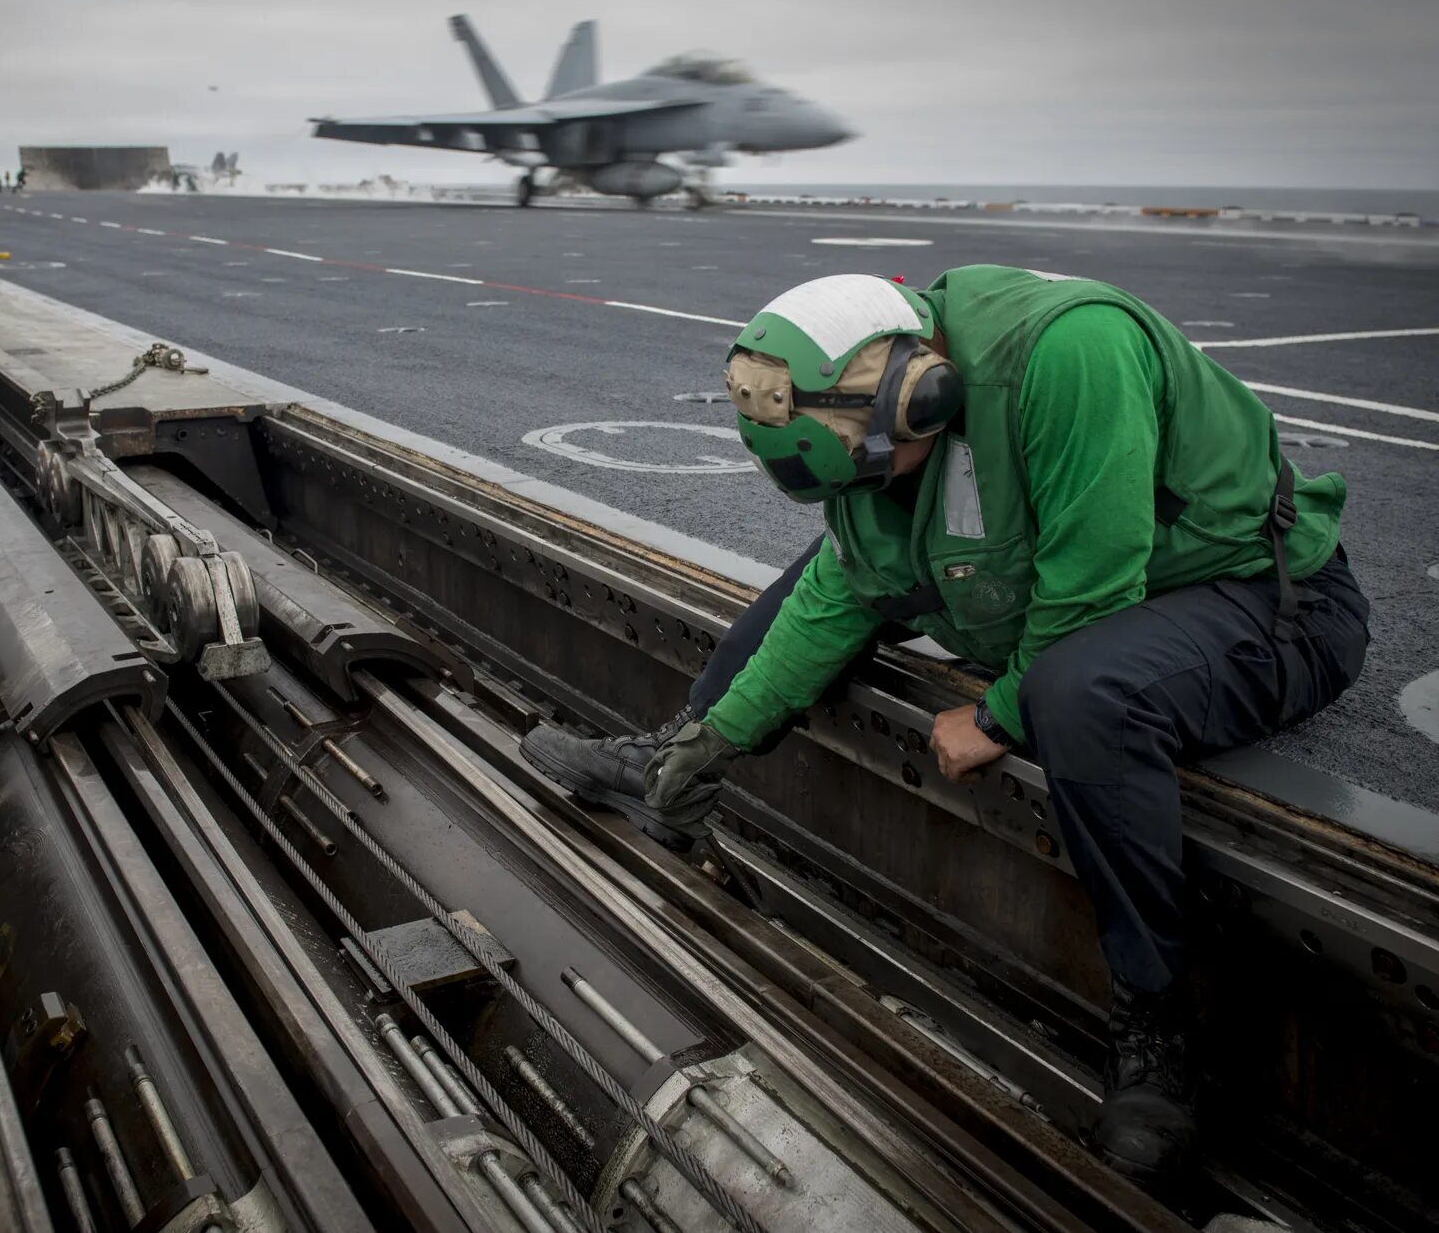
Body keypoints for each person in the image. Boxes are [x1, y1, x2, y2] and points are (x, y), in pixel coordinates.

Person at [521, 267, 1366, 1193]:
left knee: (1084, 695)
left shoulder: (1071, 352)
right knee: (826, 574)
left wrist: (1001, 712)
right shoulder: (869, 415)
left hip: (1256, 599)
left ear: (925, 397)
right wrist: (714, 742)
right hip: (1063, 581)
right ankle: (666, 758)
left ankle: (1156, 1030)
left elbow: (1094, 586)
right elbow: (840, 594)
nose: (869, 489)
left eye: (873, 462)